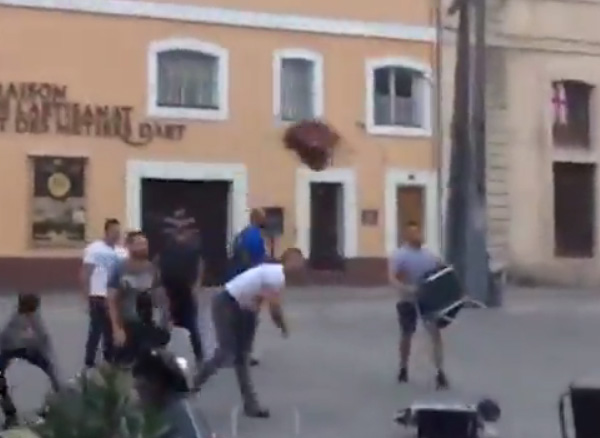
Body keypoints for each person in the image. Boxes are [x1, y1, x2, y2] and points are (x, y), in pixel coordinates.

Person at [194, 248, 305, 418]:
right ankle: (191, 387)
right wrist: (283, 327)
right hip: (227, 304)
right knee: (225, 353)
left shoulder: (272, 274)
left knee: (242, 358)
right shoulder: (277, 274)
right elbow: (275, 309)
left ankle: (250, 405)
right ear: (290, 260)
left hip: (243, 310)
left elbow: (257, 299)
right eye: (298, 261)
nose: (301, 266)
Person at [389, 221, 449, 390]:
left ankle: (440, 372)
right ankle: (403, 367)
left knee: (435, 335)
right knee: (407, 334)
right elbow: (393, 278)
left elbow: (441, 272)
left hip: (428, 300)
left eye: (419, 232)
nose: (419, 236)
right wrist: (406, 288)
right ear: (407, 236)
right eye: (414, 233)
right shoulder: (400, 255)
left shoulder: (429, 256)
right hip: (407, 300)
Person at [107, 231, 170, 366]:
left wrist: (165, 320)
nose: (144, 247)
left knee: (148, 365)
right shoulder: (119, 269)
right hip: (126, 325)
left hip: (147, 325)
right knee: (122, 367)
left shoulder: (152, 269)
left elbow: (160, 297)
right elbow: (112, 301)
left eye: (145, 243)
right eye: (139, 244)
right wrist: (117, 329)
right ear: (128, 246)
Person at [0, 293, 61, 428]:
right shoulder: (18, 321)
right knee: (51, 371)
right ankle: (10, 411)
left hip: (25, 350)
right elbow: (42, 340)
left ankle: (59, 395)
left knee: (51, 371)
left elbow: (43, 339)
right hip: (18, 350)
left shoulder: (30, 319)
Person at [157, 226, 205, 367]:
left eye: (182, 234)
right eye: (178, 234)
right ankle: (160, 355)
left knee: (191, 326)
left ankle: (199, 356)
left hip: (185, 292)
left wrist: (197, 285)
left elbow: (201, 264)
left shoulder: (192, 250)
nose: (180, 237)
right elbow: (158, 267)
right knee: (165, 325)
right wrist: (160, 288)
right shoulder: (166, 251)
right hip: (170, 292)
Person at [80, 218, 123, 369]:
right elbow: (86, 272)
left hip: (113, 296)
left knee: (110, 329)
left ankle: (109, 359)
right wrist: (85, 296)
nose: (116, 234)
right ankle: (89, 360)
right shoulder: (94, 249)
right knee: (95, 330)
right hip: (97, 295)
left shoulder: (121, 253)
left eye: (118, 232)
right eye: (113, 232)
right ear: (106, 232)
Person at [228, 208, 267, 366]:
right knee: (249, 320)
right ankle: (244, 354)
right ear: (256, 219)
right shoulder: (255, 237)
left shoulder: (241, 235)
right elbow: (256, 263)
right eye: (263, 218)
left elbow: (233, 255)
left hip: (236, 279)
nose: (265, 221)